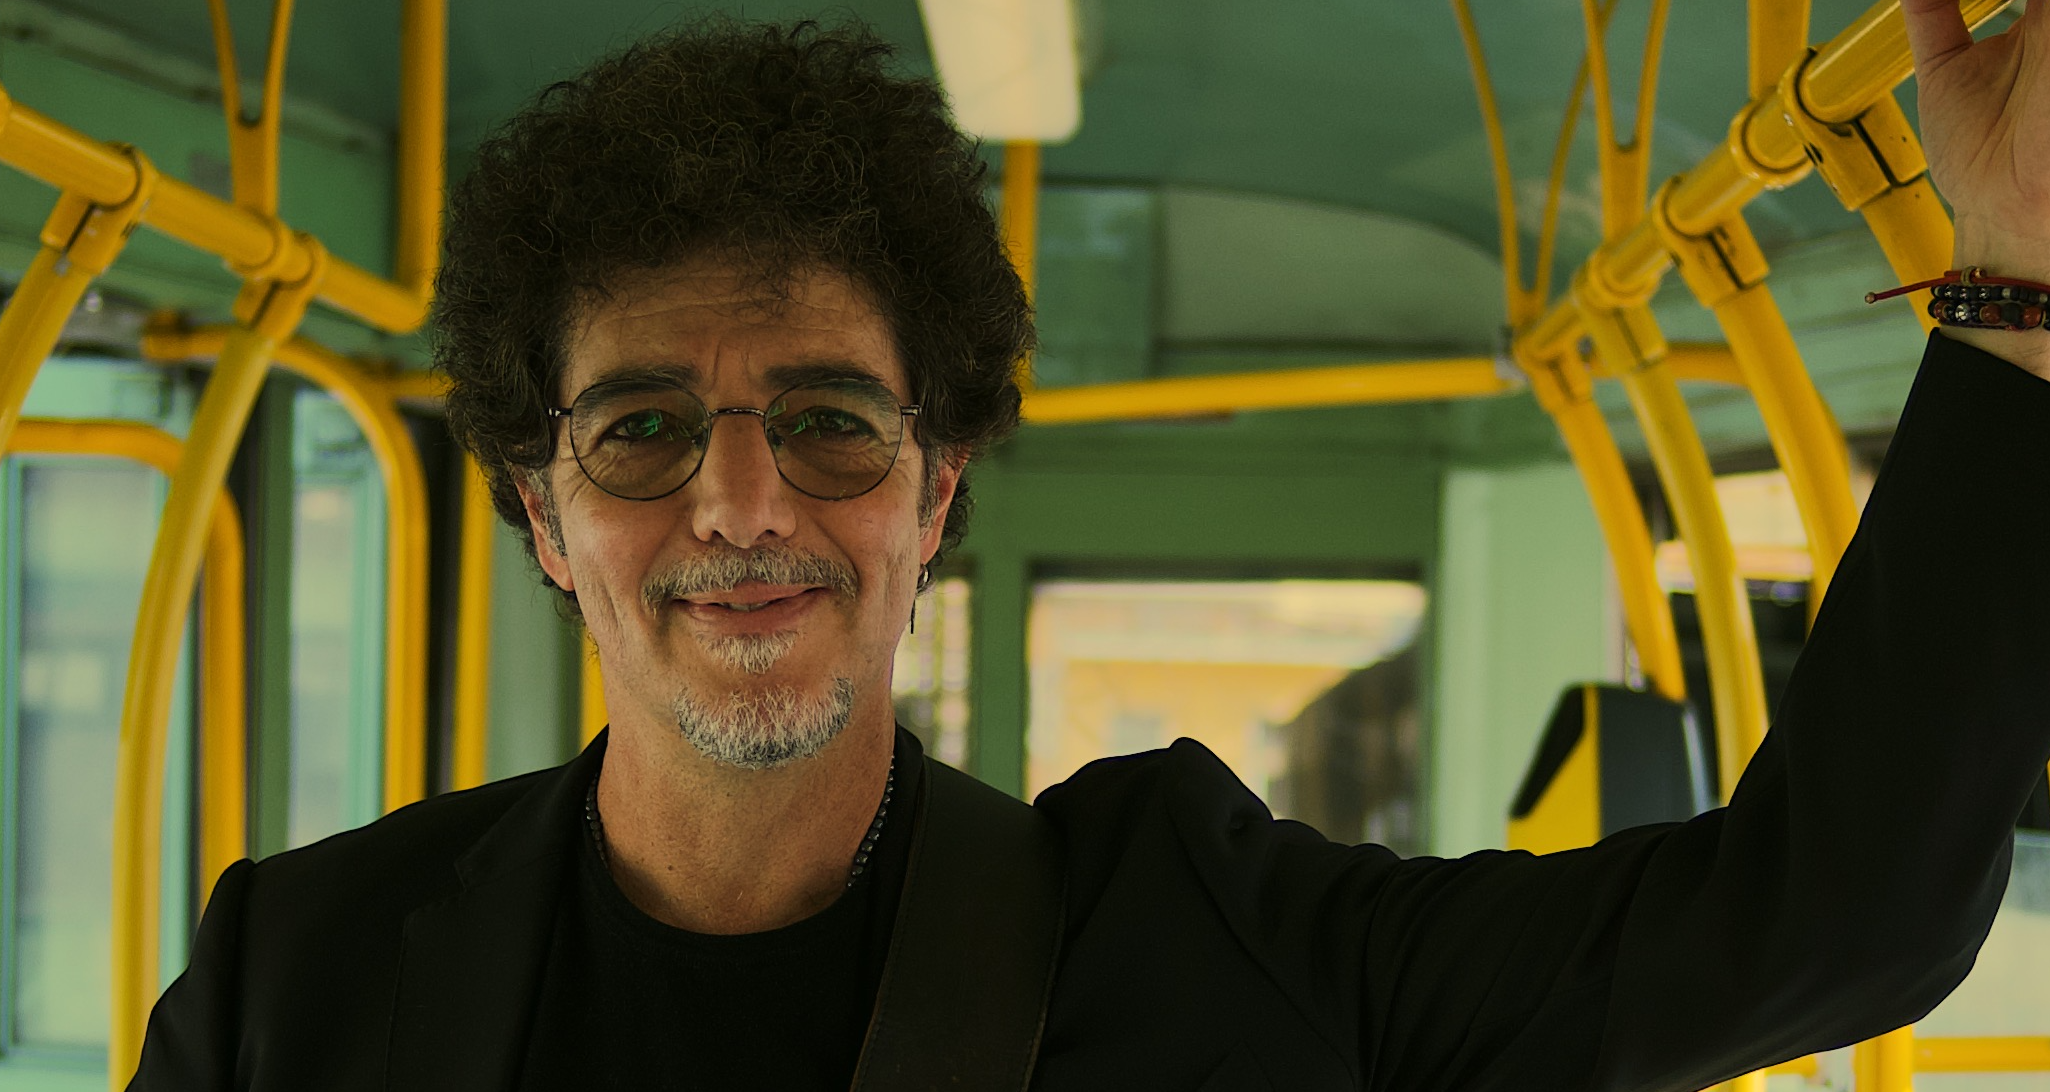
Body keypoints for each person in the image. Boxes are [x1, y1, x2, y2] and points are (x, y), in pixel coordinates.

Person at [130, 2, 2050, 1088]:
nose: (742, 502)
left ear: (933, 493)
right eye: (640, 430)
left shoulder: (1201, 940)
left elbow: (1827, 918)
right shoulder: (293, 986)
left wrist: (2018, 292)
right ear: (540, 514)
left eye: (829, 419)